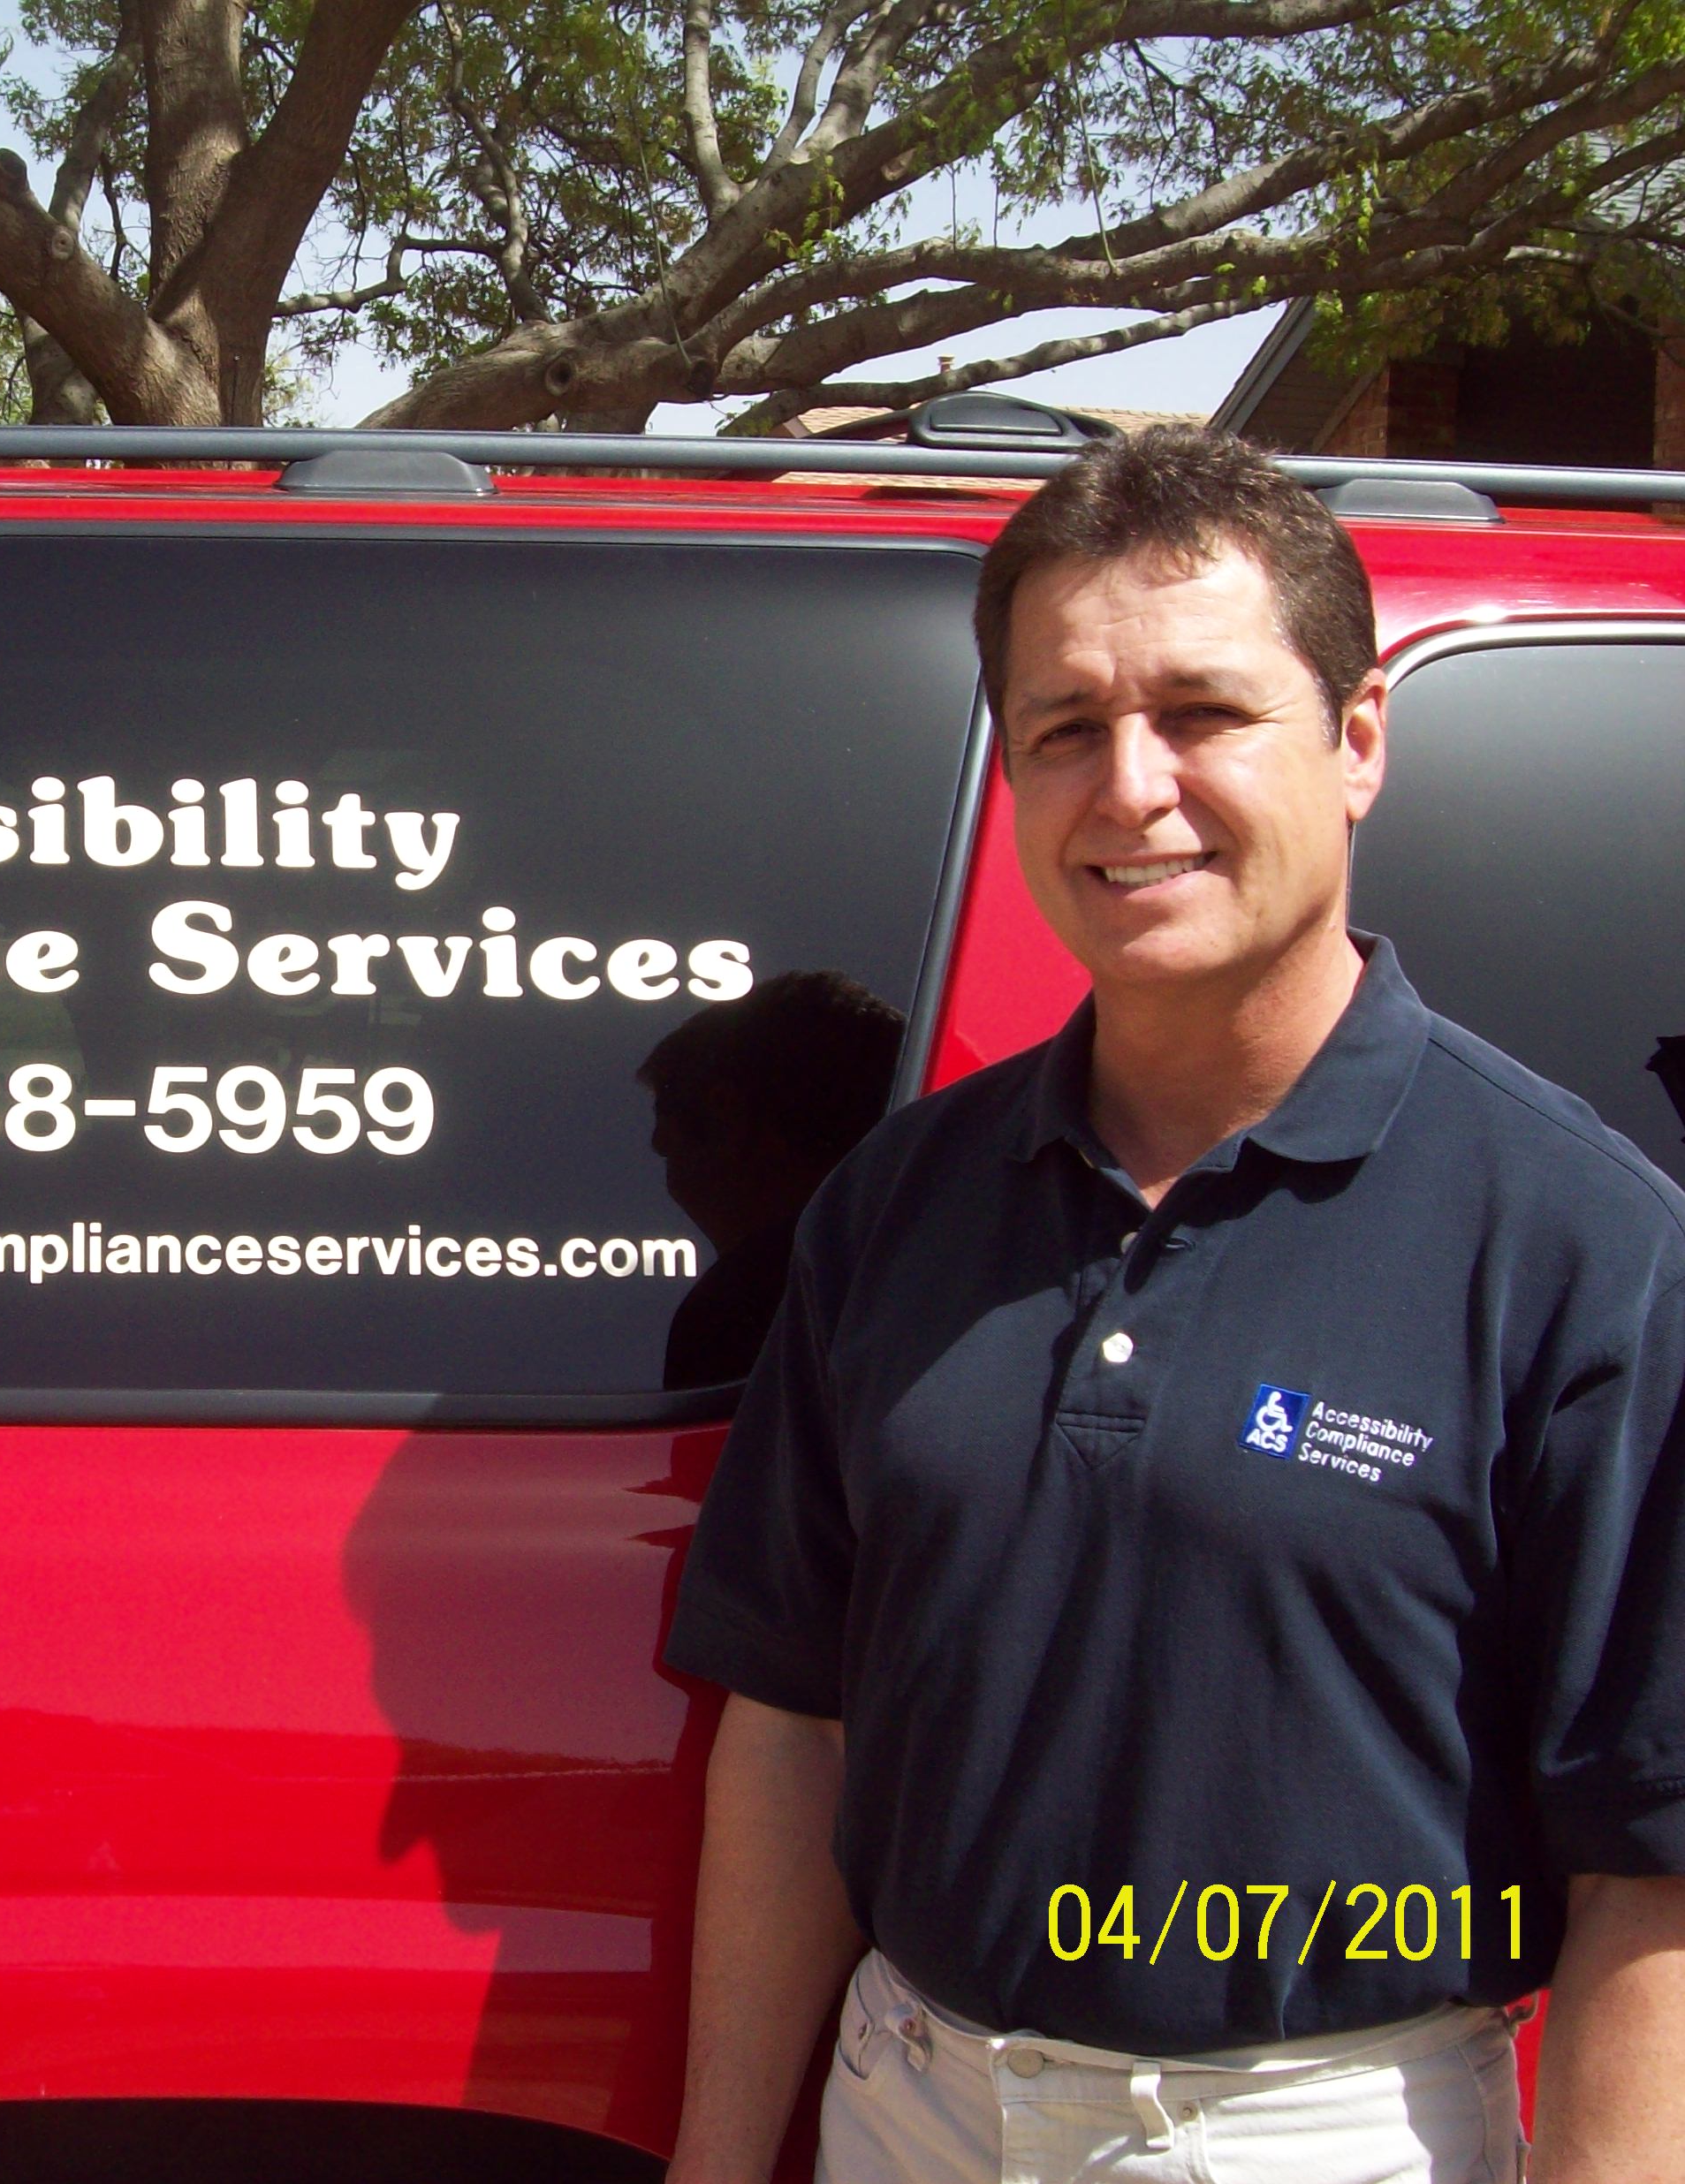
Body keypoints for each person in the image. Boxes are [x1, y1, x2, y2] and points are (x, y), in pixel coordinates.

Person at [661, 427, 1685, 2183]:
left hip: (1309, 2133)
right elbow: (789, 1724)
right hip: (903, 2103)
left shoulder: (1583, 1243)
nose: (1130, 789)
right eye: (1064, 727)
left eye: (1202, 712)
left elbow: (1650, 1874)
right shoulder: (896, 1205)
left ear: (1356, 741)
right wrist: (717, 2157)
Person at [641, 973, 904, 1389]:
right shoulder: (942, 1271)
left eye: (665, 1114)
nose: (657, 1145)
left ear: (726, 1113)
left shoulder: (747, 1305)